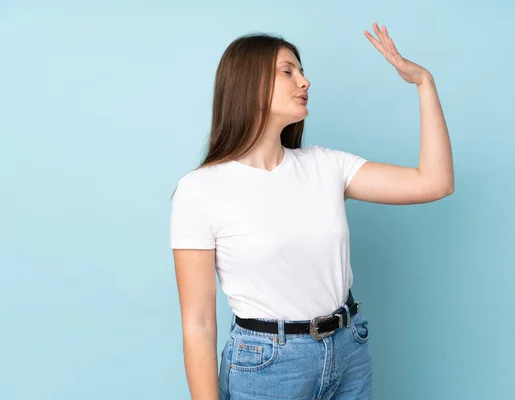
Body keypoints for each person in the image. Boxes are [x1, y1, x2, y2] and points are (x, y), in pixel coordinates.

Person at [170, 22, 454, 400]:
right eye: (288, 71)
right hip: (268, 367)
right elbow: (199, 324)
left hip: (349, 347)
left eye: (301, 72)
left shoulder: (326, 166)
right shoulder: (200, 190)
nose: (304, 82)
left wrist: (424, 83)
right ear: (248, 83)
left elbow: (434, 182)